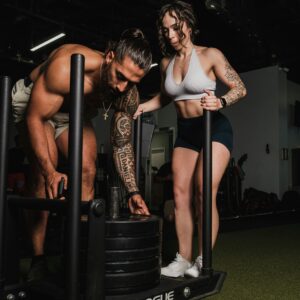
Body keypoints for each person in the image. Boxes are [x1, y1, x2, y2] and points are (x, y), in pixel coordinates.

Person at [11, 28, 151, 281]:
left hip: (72, 112)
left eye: (131, 82)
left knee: (87, 167)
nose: (122, 87)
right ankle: (38, 259)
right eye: (120, 76)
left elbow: (121, 144)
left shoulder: (127, 92)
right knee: (44, 171)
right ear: (109, 57)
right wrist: (50, 172)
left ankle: (77, 255)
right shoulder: (66, 66)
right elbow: (35, 117)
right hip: (36, 103)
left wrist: (133, 191)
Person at [134, 1, 247, 278]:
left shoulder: (210, 55)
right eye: (165, 30)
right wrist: (142, 107)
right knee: (180, 195)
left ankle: (202, 259)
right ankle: (182, 259)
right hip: (186, 131)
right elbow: (165, 97)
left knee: (202, 191)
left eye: (175, 27)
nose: (170, 35)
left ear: (188, 23)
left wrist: (220, 101)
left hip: (214, 128)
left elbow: (240, 88)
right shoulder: (165, 63)